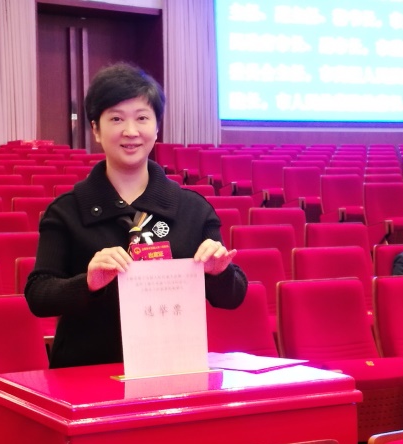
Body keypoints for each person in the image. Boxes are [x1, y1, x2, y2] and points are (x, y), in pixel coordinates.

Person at [25, 63, 248, 369]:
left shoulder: (192, 209)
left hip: (174, 368)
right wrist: (87, 282)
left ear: (156, 127)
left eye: (142, 118)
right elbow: (38, 295)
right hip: (87, 371)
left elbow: (233, 297)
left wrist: (218, 272)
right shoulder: (67, 211)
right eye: (116, 118)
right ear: (95, 129)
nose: (130, 131)